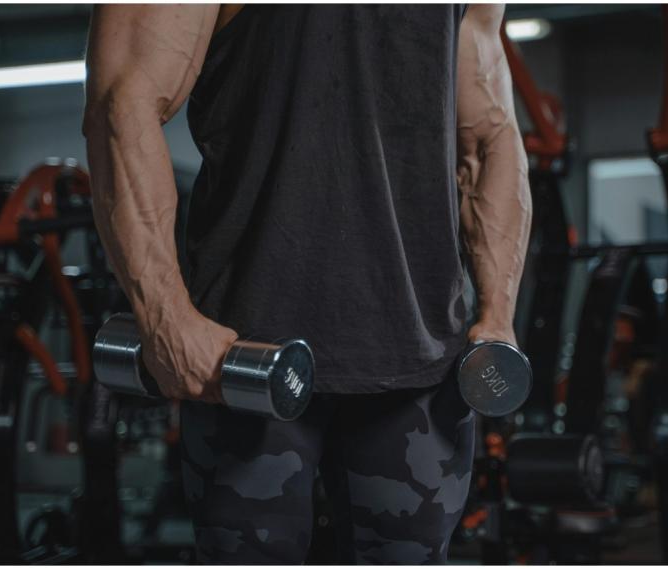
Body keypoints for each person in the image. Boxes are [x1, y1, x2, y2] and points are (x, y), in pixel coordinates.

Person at [83, 3, 531, 564]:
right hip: (244, 357)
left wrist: (498, 314)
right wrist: (166, 316)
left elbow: (489, 135)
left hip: (420, 364)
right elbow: (122, 101)